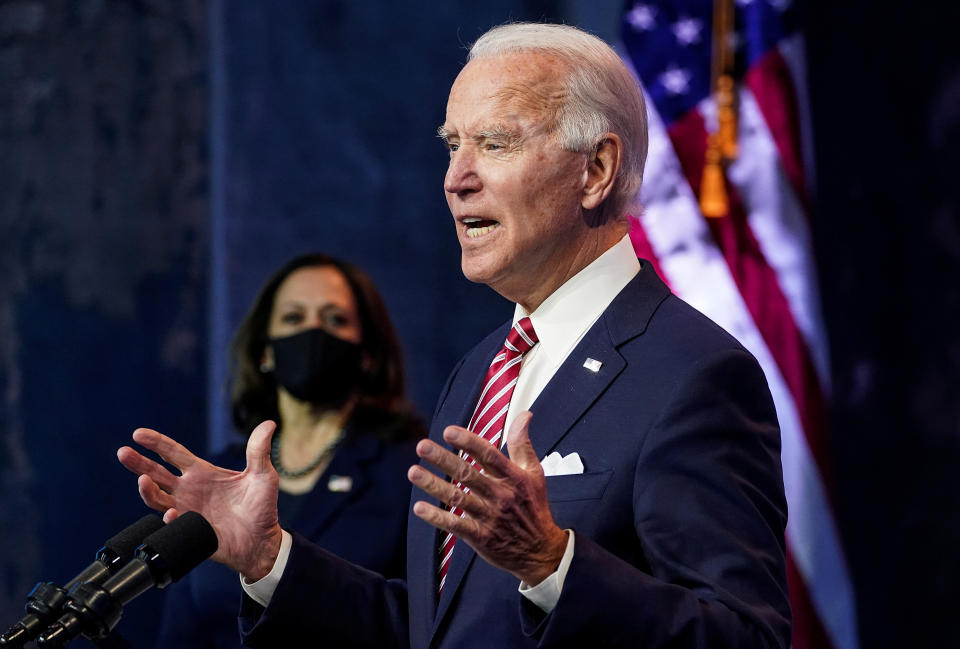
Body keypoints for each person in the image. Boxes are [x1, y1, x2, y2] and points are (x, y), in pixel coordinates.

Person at [119, 23, 791, 649]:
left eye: (494, 144)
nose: (456, 179)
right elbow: (431, 630)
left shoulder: (692, 371)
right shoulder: (479, 371)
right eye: (452, 145)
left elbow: (745, 635)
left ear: (595, 170)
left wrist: (551, 563)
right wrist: (271, 558)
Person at [155, 253, 424, 648]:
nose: (313, 332)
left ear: (366, 354)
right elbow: (181, 630)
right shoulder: (219, 473)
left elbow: (415, 623)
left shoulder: (408, 476)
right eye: (294, 319)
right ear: (265, 351)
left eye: (335, 320)